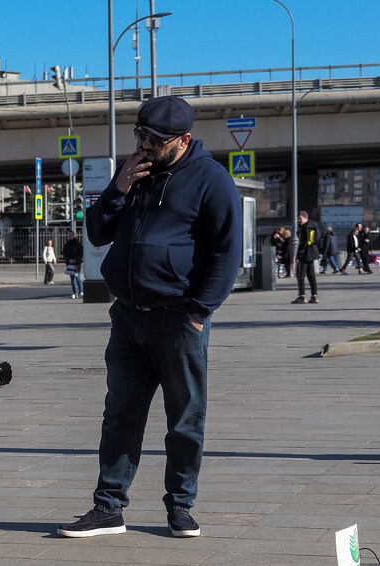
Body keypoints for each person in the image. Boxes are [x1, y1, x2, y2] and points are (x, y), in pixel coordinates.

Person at [63, 95, 241, 539]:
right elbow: (97, 232)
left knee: (184, 419)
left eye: (154, 139)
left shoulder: (211, 180)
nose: (143, 145)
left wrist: (199, 312)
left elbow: (227, 252)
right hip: (128, 318)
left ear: (183, 140)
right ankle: (108, 507)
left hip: (179, 319)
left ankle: (180, 506)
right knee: (119, 416)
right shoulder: (134, 173)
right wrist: (117, 189)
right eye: (140, 135)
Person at [291, 210, 319, 305]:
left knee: (300, 274)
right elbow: (316, 239)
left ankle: (302, 296)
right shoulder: (313, 226)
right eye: (298, 219)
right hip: (311, 252)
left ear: (306, 218)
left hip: (305, 254)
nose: (299, 220)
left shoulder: (305, 228)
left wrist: (299, 255)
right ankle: (314, 295)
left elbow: (303, 243)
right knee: (311, 275)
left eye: (300, 219)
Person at [63, 230, 84, 299]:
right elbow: (65, 254)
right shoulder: (66, 244)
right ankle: (74, 292)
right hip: (70, 264)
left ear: (74, 235)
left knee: (77, 277)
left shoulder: (78, 244)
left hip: (77, 264)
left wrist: (75, 259)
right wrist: (69, 259)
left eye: (71, 235)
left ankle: (81, 291)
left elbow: (81, 253)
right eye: (69, 235)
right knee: (72, 279)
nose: (70, 236)